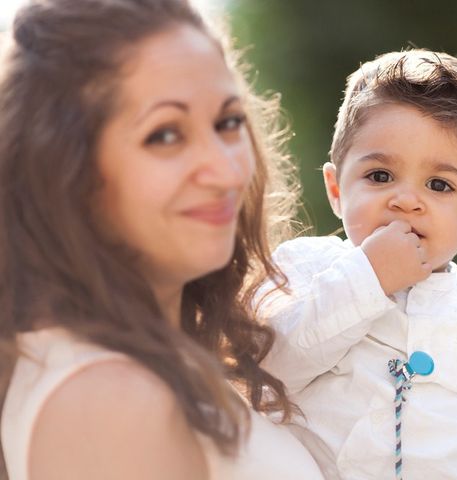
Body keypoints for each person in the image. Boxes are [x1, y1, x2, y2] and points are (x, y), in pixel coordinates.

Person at [0, 1, 324, 479]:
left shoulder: (142, 360)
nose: (226, 170)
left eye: (228, 122)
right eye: (166, 134)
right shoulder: (111, 399)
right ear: (65, 172)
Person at [257, 50, 457, 479]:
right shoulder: (304, 268)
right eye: (379, 176)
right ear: (337, 189)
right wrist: (367, 279)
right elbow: (263, 376)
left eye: (439, 184)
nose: (406, 200)